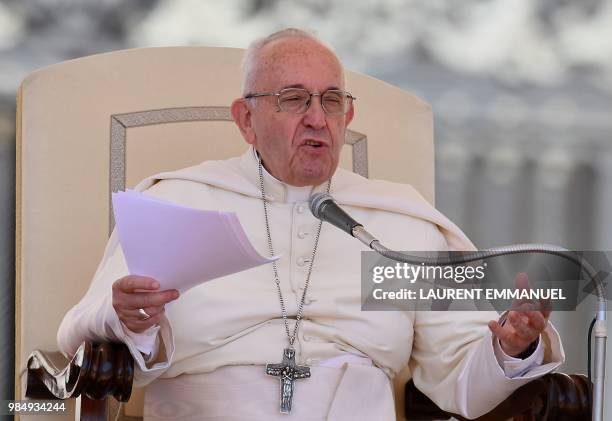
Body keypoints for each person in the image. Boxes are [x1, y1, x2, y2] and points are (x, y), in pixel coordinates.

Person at [57, 28, 564, 421]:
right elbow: (83, 329)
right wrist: (131, 317)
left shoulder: (400, 222)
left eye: (332, 100)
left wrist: (509, 347)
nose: (318, 118)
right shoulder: (177, 204)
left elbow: (460, 374)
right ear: (246, 119)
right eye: (294, 99)